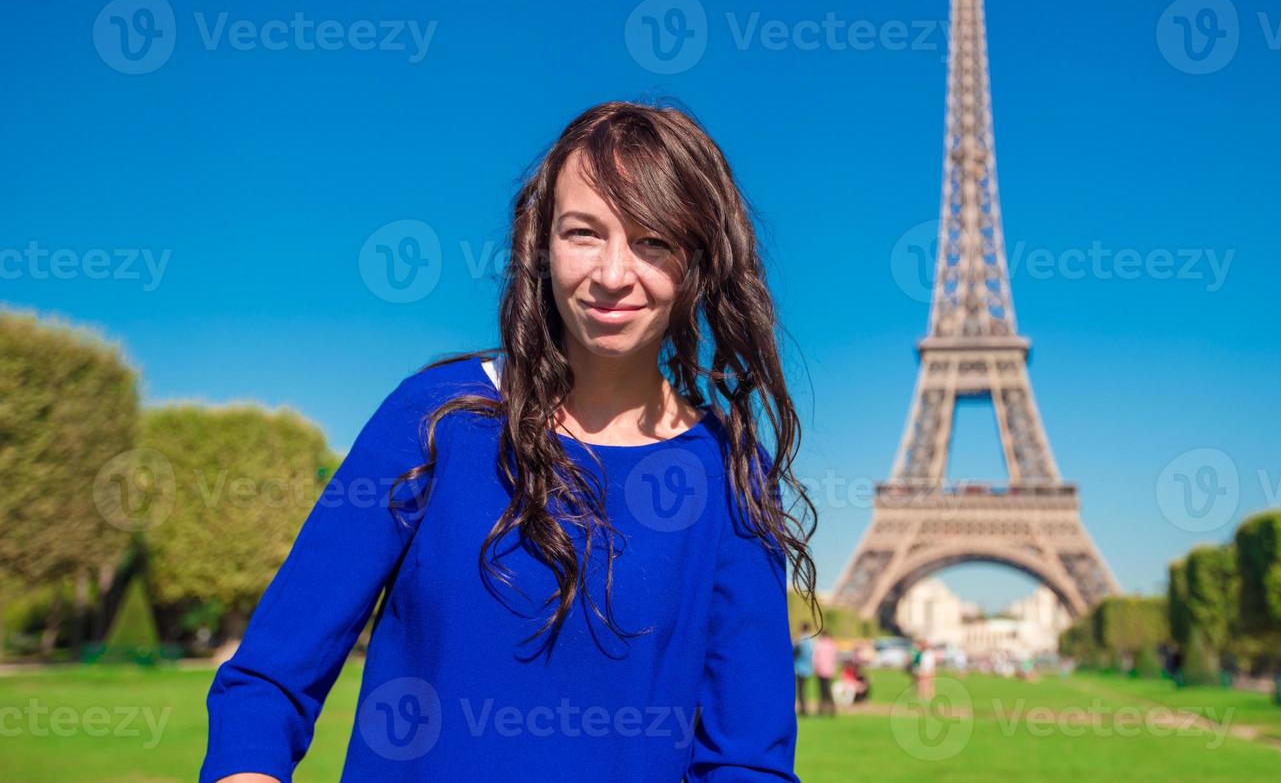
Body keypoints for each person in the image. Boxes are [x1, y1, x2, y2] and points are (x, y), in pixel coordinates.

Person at [198, 101, 819, 782]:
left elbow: (747, 760)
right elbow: (267, 683)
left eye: (653, 241)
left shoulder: (731, 475)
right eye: (584, 233)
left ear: (700, 261)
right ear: (541, 244)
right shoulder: (436, 417)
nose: (613, 274)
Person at [812, 630, 839, 716]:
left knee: (822, 691)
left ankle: (822, 709)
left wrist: (815, 669)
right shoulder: (832, 645)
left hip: (821, 670)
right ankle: (831, 708)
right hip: (829, 671)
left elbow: (815, 659)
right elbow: (835, 658)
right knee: (827, 690)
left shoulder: (819, 645)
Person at [792, 623, 814, 716]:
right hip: (808, 668)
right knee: (804, 690)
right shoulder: (811, 640)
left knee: (800, 690)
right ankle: (805, 708)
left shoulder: (801, 640)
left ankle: (803, 709)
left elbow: (794, 652)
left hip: (800, 668)